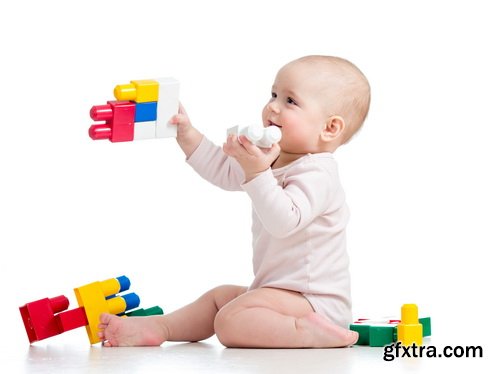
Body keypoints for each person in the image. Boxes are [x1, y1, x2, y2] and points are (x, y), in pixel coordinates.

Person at [98, 55, 371, 348]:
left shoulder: (318, 172)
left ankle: (311, 332)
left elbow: (284, 221)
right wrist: (187, 134)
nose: (273, 107)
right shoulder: (271, 156)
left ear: (329, 128)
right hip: (278, 292)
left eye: (291, 101)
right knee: (219, 298)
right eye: (274, 94)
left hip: (314, 302)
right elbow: (224, 170)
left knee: (229, 321)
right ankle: (161, 327)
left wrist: (257, 171)